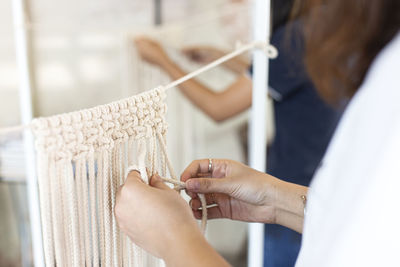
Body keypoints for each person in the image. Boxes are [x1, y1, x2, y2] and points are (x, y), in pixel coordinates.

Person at [116, 0, 400, 266]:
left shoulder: (303, 36)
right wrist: (272, 198)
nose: (229, 10)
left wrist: (172, 236)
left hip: (295, 190)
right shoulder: (371, 56)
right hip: (302, 191)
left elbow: (219, 106)